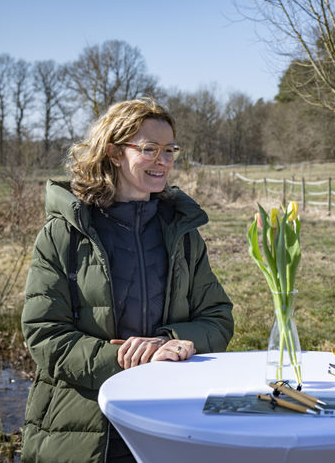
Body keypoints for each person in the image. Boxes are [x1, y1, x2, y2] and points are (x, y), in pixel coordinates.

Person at [21, 98, 234, 463]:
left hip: (168, 418)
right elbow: (45, 334)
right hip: (81, 428)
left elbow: (217, 318)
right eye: (149, 149)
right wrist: (124, 360)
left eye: (169, 150)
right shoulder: (65, 234)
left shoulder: (181, 233)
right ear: (114, 152)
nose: (163, 160)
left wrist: (172, 342)